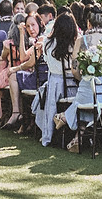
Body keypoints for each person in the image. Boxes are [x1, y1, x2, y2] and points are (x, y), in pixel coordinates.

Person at [61, 3, 102, 151]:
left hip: (92, 93)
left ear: (88, 22)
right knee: (87, 95)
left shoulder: (82, 41)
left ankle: (65, 118)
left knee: (85, 94)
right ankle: (76, 136)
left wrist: (83, 79)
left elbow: (74, 70)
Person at [0, 12, 43, 127]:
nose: (31, 29)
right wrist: (22, 34)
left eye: (33, 25)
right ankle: (16, 113)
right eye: (28, 26)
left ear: (39, 24)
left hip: (41, 79)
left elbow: (28, 62)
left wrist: (15, 68)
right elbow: (23, 57)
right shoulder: (35, 41)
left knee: (11, 73)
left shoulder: (41, 40)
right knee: (9, 72)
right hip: (33, 75)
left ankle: (16, 112)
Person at [32, 9, 78, 146]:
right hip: (73, 86)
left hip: (54, 85)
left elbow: (46, 61)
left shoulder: (47, 43)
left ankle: (50, 132)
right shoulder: (75, 45)